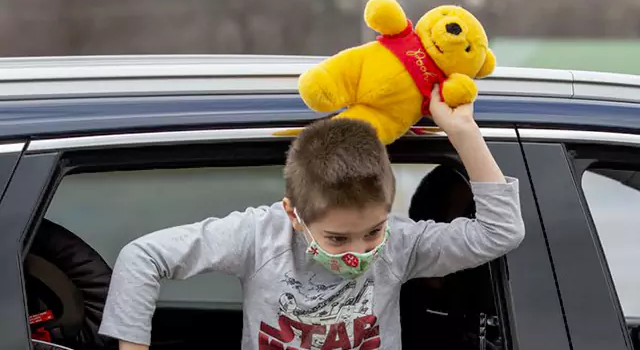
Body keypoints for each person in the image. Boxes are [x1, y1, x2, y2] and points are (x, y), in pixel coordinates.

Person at [98, 85, 526, 350]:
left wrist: (464, 133)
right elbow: (142, 257)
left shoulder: (399, 244)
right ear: (294, 215)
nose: (358, 253)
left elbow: (499, 231)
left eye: (372, 231)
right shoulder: (259, 236)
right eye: (338, 239)